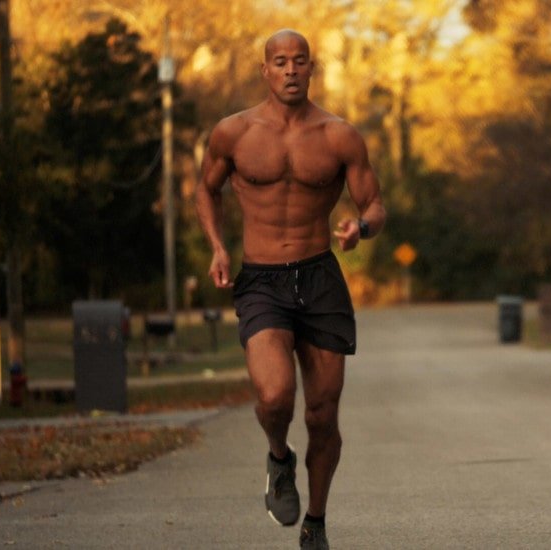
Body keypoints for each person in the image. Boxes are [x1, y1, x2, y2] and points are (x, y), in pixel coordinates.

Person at [195, 29, 386, 550]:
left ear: (311, 67)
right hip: (261, 280)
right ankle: (279, 456)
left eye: (299, 61)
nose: (290, 70)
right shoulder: (233, 133)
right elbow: (205, 190)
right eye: (280, 61)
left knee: (323, 416)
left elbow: (374, 205)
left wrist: (360, 229)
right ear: (265, 70)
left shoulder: (338, 135)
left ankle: (316, 523)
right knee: (275, 395)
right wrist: (217, 245)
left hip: (320, 277)